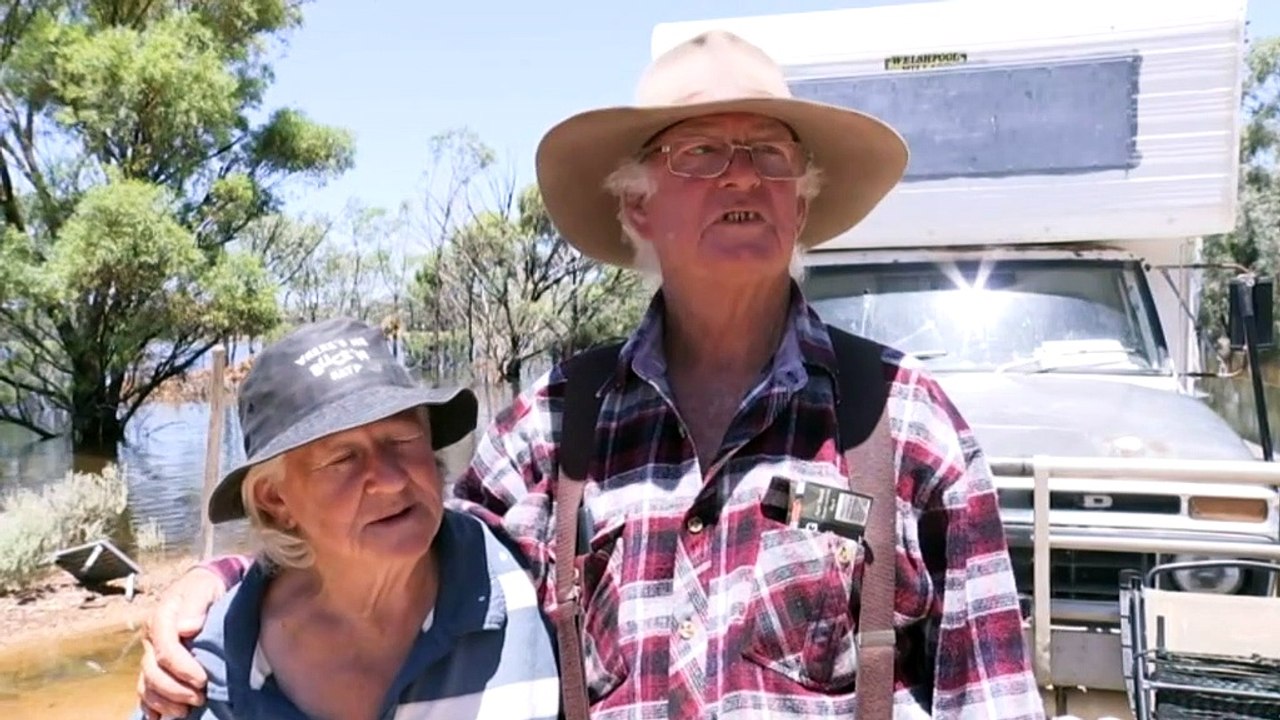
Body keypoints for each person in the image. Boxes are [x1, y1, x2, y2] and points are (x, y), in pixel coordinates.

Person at [136, 31, 1045, 720]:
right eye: (701, 152)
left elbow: (992, 693)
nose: (745, 177)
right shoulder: (554, 428)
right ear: (635, 204)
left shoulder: (901, 425)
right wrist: (227, 583)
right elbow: (400, 544)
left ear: (802, 197)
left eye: (771, 154)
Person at [130, 317, 559, 720]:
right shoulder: (198, 673)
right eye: (343, 458)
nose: (390, 480)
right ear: (274, 500)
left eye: (403, 439)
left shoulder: (527, 571)